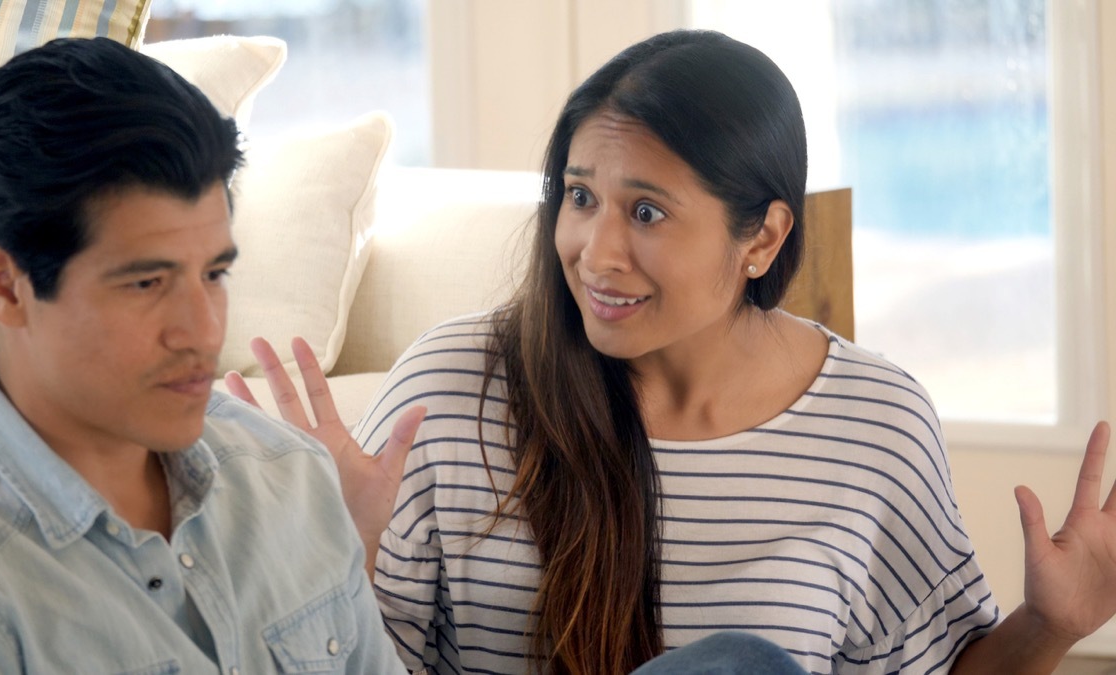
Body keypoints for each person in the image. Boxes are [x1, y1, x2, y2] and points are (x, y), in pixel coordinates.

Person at [230, 29, 1116, 675]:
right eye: (580, 197)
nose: (595, 251)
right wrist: (330, 554)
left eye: (646, 212)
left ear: (763, 238)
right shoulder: (451, 391)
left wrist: (1049, 623)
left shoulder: (872, 422)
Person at [0, 37, 427, 672]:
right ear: (3, 283)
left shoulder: (290, 477)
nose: (202, 331)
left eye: (213, 274)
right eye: (146, 283)